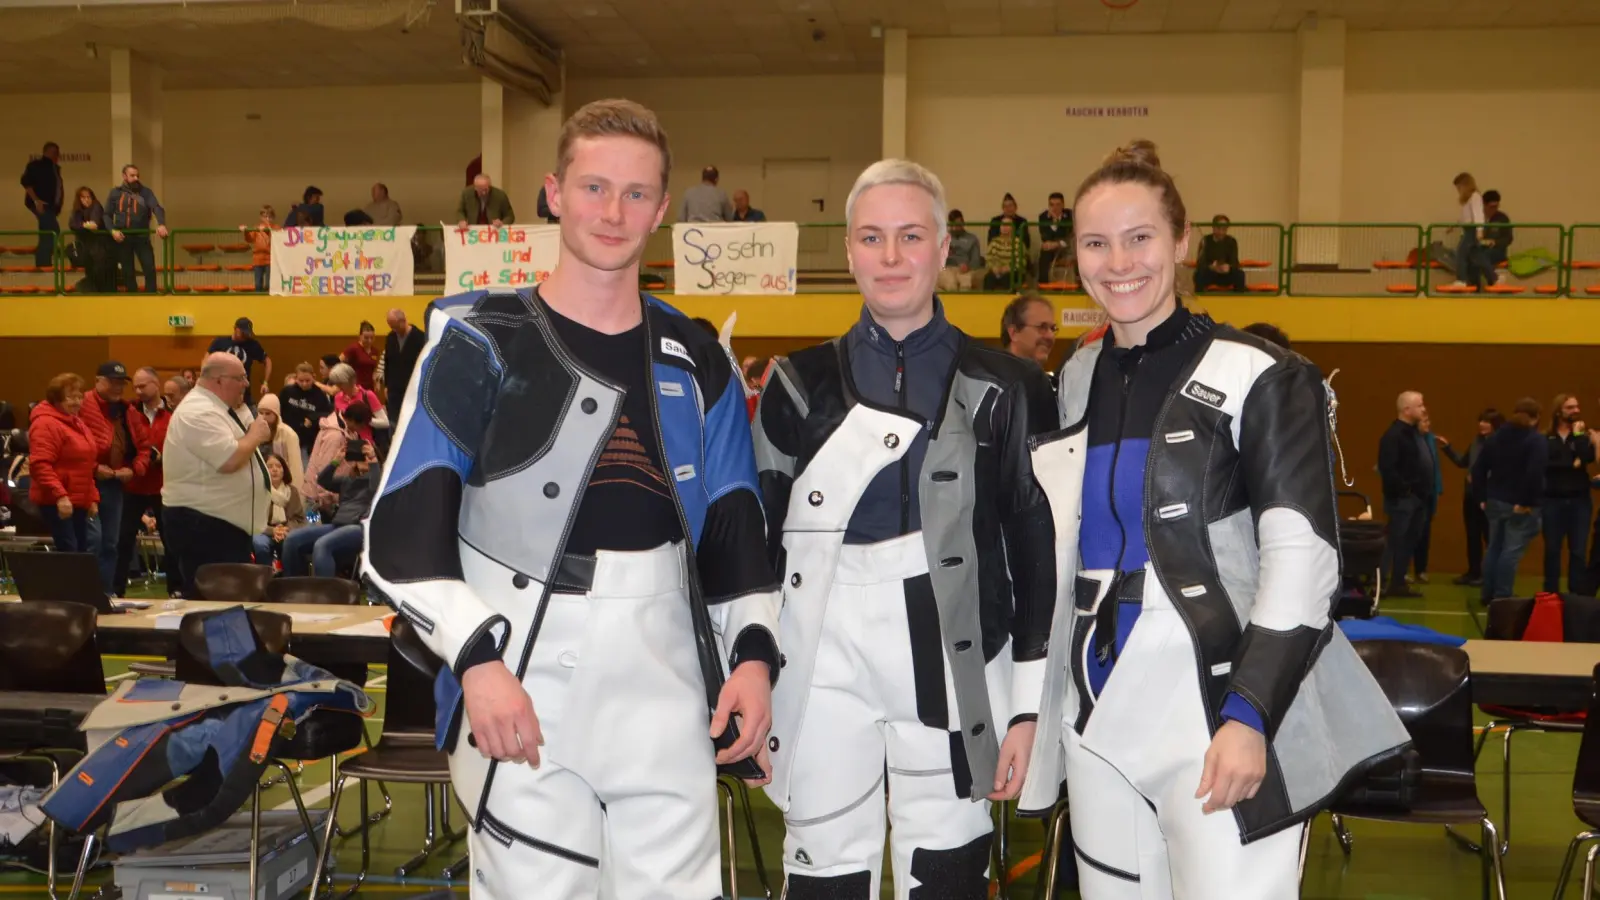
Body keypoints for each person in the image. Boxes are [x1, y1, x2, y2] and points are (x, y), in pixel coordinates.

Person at [361, 98, 779, 900]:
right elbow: (402, 530)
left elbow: (735, 527)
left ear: (662, 208)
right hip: (519, 676)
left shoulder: (700, 359)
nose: (612, 212)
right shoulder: (477, 338)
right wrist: (477, 664)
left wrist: (755, 659)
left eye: (634, 193)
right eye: (594, 187)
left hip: (668, 680)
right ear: (553, 192)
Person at [1018, 139, 1409, 900]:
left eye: (1141, 238)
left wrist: (1251, 714)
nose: (1119, 261)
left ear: (1182, 241)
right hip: (1094, 706)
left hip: (1212, 705)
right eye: (1097, 242)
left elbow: (1304, 566)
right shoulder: (1074, 378)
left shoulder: (1261, 374)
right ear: (1075, 255)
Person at [753, 159, 1056, 899]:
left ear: (944, 250)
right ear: (850, 250)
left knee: (949, 870)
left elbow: (1037, 551)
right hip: (819, 659)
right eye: (872, 237)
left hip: (960, 659)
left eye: (911, 236)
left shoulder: (1010, 389)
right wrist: (753, 673)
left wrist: (1026, 707)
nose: (891, 258)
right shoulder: (796, 384)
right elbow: (759, 551)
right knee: (823, 867)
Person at [161, 353, 274, 599]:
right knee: (215, 607)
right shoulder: (198, 412)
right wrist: (255, 435)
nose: (246, 384)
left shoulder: (214, 409)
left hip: (218, 524)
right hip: (204, 525)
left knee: (227, 605)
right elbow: (229, 459)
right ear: (219, 380)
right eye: (241, 378)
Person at [1473, 397, 1546, 605]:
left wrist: (1482, 497)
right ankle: (1502, 596)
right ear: (1536, 418)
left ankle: (1488, 594)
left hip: (1495, 500)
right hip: (1520, 504)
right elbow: (1535, 473)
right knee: (1511, 551)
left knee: (1494, 547)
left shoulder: (1496, 438)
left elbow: (1478, 469)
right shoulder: (1535, 440)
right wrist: (1526, 502)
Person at [117, 367, 177, 597]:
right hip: (133, 486)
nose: (139, 391)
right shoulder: (128, 413)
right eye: (136, 387)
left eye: (143, 386)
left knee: (171, 543)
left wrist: (163, 457)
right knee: (123, 541)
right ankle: (116, 591)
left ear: (156, 384)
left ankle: (176, 591)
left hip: (164, 486)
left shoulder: (174, 415)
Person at [281, 439, 377, 577]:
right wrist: (336, 460)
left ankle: (326, 594)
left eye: (366, 456)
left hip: (361, 528)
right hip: (338, 525)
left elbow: (376, 487)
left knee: (322, 544)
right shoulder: (348, 481)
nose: (363, 459)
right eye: (360, 457)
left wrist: (373, 461)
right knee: (292, 539)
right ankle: (294, 589)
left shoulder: (381, 480)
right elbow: (322, 480)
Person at [79, 361, 134, 596]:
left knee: (111, 542)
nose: (118, 387)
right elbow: (73, 449)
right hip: (86, 483)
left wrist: (132, 469)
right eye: (112, 381)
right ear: (98, 380)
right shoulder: (82, 405)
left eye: (121, 382)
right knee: (94, 540)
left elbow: (141, 446)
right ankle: (87, 592)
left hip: (113, 483)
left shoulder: (125, 409)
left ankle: (106, 593)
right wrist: (93, 467)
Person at [28, 373, 99, 552]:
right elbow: (40, 464)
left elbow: (86, 464)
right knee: (70, 552)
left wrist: (92, 497)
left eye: (79, 397)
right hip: (58, 502)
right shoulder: (45, 423)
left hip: (78, 500)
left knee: (82, 550)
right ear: (57, 399)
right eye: (70, 397)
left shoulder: (77, 422)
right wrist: (61, 496)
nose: (76, 402)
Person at [1377, 390, 1432, 598]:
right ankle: (1382, 584)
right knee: (1394, 541)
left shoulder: (1413, 433)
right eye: (1419, 405)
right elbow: (1388, 468)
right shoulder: (1394, 435)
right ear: (1407, 409)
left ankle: (1398, 583)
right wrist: (1405, 490)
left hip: (1417, 499)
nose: (1423, 409)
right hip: (1403, 500)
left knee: (1408, 542)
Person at [1543, 394, 1593, 594]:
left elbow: (1587, 457)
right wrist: (1571, 464)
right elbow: (1545, 464)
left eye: (1577, 407)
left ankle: (1576, 595)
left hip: (1579, 501)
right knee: (1553, 550)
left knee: (1578, 551)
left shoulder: (1583, 436)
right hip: (1552, 501)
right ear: (1558, 411)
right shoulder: (1545, 437)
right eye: (1570, 407)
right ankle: (1550, 594)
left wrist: (1579, 437)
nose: (1576, 410)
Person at [1446, 409, 1502, 586]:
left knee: (1490, 537)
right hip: (1471, 495)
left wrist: (1480, 479)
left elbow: (1501, 470)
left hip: (1489, 496)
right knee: (1472, 535)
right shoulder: (1476, 442)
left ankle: (1490, 575)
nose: (1482, 424)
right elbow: (1463, 462)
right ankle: (1473, 572)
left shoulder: (1500, 444)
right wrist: (1447, 448)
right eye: (1480, 421)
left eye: (1486, 421)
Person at [251, 453, 306, 569]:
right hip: (263, 531)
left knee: (290, 543)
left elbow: (299, 519)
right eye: (270, 466)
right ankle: (264, 579)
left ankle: (289, 580)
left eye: (278, 466)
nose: (275, 470)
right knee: (260, 544)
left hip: (286, 530)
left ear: (284, 470)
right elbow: (253, 519)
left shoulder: (292, 491)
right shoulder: (257, 491)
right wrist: (273, 531)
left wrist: (285, 530)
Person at [208, 318, 272, 406]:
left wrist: (265, 382)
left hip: (244, 397)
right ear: (235, 329)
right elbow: (207, 360)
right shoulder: (220, 342)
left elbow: (267, 361)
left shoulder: (252, 344)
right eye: (242, 332)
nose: (244, 335)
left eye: (246, 333)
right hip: (221, 395)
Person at [279, 363, 333, 467]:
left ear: (314, 377)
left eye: (307, 381)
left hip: (307, 441)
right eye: (301, 381)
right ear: (295, 378)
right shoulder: (287, 392)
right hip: (287, 437)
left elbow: (327, 414)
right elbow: (279, 411)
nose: (304, 384)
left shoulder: (319, 394)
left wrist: (313, 418)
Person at [379, 308, 426, 428]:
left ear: (403, 321)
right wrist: (387, 386)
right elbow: (388, 362)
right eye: (391, 327)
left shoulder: (420, 338)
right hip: (394, 389)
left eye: (395, 326)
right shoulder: (391, 338)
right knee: (394, 422)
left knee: (411, 422)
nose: (394, 330)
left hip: (412, 388)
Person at [21, 142, 63, 269]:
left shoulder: (54, 168)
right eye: (55, 152)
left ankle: (43, 263)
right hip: (42, 204)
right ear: (48, 151)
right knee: (52, 230)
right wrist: (36, 201)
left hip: (50, 206)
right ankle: (43, 263)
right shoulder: (36, 165)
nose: (57, 155)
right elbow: (26, 182)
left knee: (47, 232)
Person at [67, 186, 114, 292]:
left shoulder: (96, 206)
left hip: (101, 248)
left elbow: (94, 224)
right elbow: (72, 224)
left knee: (101, 273)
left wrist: (84, 225)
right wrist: (84, 225)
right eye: (83, 197)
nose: (86, 200)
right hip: (87, 249)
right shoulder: (77, 210)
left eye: (89, 197)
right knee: (91, 272)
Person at [254, 394, 306, 488]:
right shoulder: (254, 431)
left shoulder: (289, 434)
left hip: (282, 485)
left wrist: (296, 495)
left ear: (276, 414)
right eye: (261, 413)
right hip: (260, 484)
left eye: (268, 413)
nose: (264, 417)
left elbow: (295, 468)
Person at [1449, 172, 1490, 290]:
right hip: (1468, 229)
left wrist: (1479, 230)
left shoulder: (1475, 197)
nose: (1458, 190)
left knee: (1461, 253)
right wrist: (1454, 225)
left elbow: (1478, 215)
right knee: (1476, 255)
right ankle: (1494, 277)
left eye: (1459, 187)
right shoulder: (1467, 200)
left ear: (1465, 185)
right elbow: (1464, 217)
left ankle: (1461, 280)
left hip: (1472, 230)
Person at [1001, 291, 1058, 368]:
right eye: (1042, 327)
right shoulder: (989, 378)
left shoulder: (1046, 379)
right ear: (1014, 333)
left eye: (1052, 328)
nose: (1050, 336)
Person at [1194, 214, 1247, 293]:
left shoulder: (1231, 241)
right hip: (1210, 274)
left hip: (1226, 274)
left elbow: (1235, 262)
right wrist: (1211, 267)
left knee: (1240, 275)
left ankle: (1238, 301)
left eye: (1224, 229)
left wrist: (1229, 267)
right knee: (1198, 275)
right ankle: (1200, 300)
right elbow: (1200, 263)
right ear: (1213, 227)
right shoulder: (1205, 240)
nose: (1221, 232)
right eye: (1219, 228)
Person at [938, 209, 984, 293]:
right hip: (947, 268)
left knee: (966, 282)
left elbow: (976, 261)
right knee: (951, 283)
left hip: (965, 270)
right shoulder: (943, 238)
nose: (955, 228)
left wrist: (968, 267)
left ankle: (965, 305)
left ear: (963, 223)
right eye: (953, 225)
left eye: (958, 225)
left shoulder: (972, 239)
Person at [1037, 191, 1073, 283]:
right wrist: (1053, 222)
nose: (1055, 208)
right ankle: (1043, 285)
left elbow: (1069, 234)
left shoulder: (1070, 215)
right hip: (1050, 248)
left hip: (1067, 247)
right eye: (1052, 205)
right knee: (1044, 252)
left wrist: (1057, 243)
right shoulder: (1043, 217)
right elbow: (1045, 236)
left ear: (1063, 205)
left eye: (1058, 205)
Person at [239, 206, 276, 293]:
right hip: (258, 259)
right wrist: (246, 231)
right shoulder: (256, 227)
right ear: (261, 217)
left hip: (270, 259)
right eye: (265, 216)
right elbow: (250, 239)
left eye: (269, 216)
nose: (267, 219)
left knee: (269, 284)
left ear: (273, 217)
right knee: (258, 285)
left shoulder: (276, 227)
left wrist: (267, 231)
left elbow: (277, 238)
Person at [1481, 189, 1513, 279]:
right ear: (1484, 205)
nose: (1494, 209)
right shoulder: (1478, 217)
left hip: (1497, 251)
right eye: (1491, 207)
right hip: (1480, 248)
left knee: (1483, 256)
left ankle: (1494, 279)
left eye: (1496, 206)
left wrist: (1494, 242)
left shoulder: (1502, 218)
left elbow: (1508, 238)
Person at [342, 321, 380, 391]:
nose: (369, 341)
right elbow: (339, 362)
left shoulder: (375, 351)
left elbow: (374, 369)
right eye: (366, 338)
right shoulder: (353, 348)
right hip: (356, 387)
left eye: (372, 338)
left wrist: (376, 382)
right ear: (359, 336)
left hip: (370, 388)